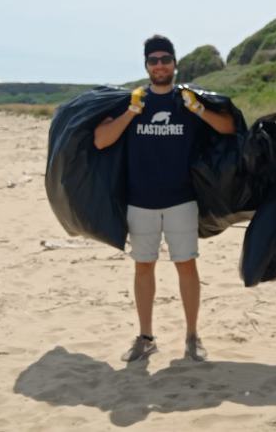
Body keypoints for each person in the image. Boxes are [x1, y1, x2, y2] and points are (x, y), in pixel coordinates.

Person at [93, 35, 235, 362]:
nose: (160, 65)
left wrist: (198, 109)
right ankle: (145, 337)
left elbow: (228, 127)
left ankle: (192, 336)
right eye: (153, 60)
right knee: (144, 266)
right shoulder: (131, 100)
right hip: (140, 201)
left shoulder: (186, 99)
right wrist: (130, 113)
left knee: (186, 266)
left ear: (174, 63)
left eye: (165, 59)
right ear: (146, 65)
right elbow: (101, 140)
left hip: (181, 200)